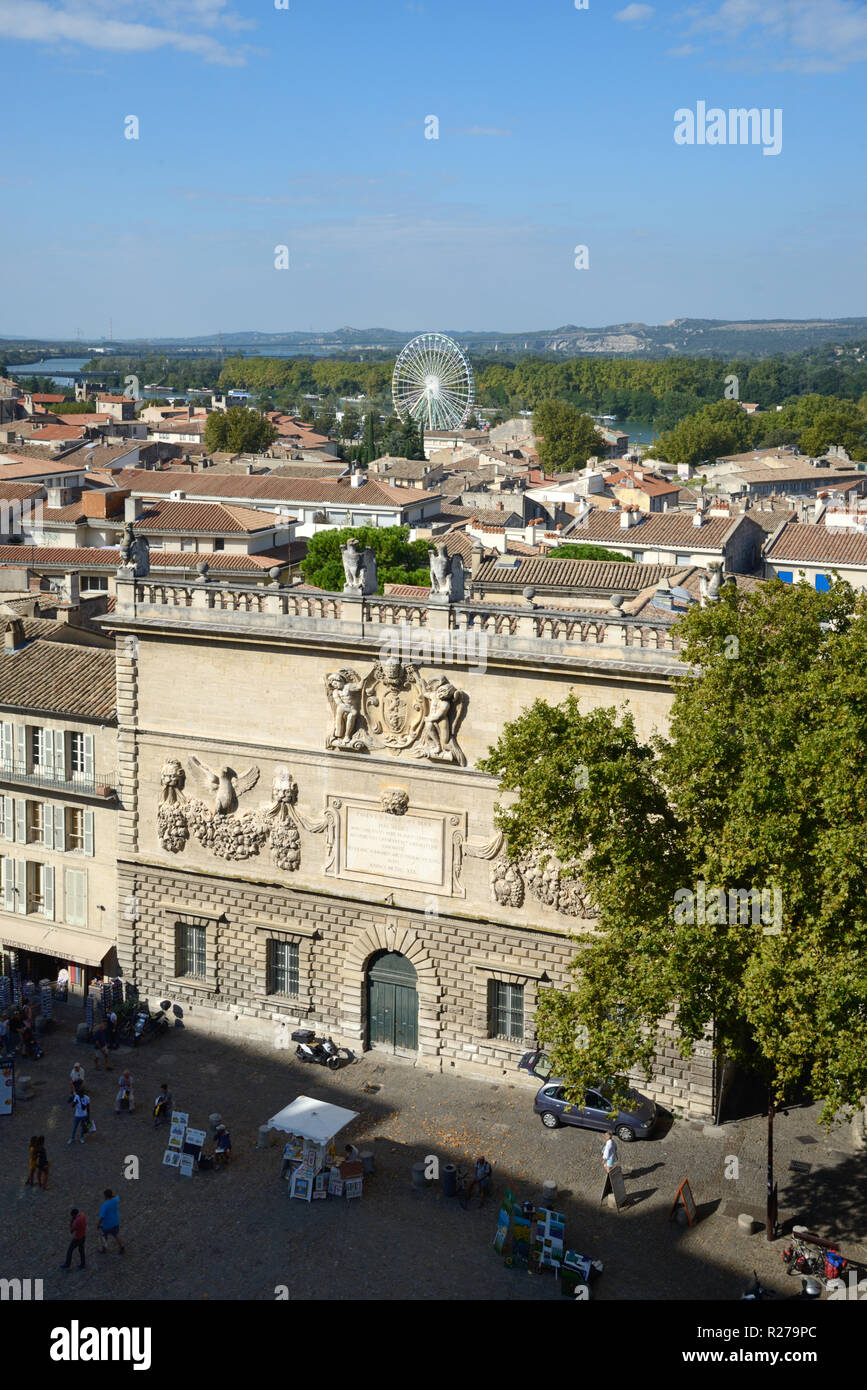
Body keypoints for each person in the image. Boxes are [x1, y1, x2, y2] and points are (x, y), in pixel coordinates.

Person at [97, 1189, 125, 1255]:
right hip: (115, 1222)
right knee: (116, 1235)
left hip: (106, 1225)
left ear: (105, 1196)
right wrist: (112, 1196)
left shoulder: (105, 1205)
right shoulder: (115, 1200)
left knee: (103, 1237)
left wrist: (98, 1224)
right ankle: (122, 1247)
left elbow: (102, 1217)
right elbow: (118, 1196)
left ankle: (104, 1249)